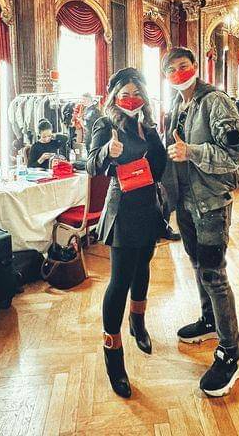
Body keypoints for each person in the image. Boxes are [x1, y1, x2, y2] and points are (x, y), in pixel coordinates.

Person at [162, 47, 239, 397]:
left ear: (195, 67)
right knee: (197, 266)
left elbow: (235, 156)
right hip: (186, 204)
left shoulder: (216, 102)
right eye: (171, 70)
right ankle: (209, 320)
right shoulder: (178, 105)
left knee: (214, 274)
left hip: (210, 204)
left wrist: (191, 152)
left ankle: (231, 353)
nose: (178, 74)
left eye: (183, 66)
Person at [87, 68, 167, 399]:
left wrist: (158, 143)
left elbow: (159, 166)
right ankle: (114, 358)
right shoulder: (105, 123)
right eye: (125, 93)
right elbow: (91, 164)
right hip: (122, 210)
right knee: (119, 281)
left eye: (137, 93)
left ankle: (138, 322)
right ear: (115, 96)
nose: (131, 98)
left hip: (148, 207)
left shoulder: (147, 124)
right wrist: (108, 152)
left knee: (143, 267)